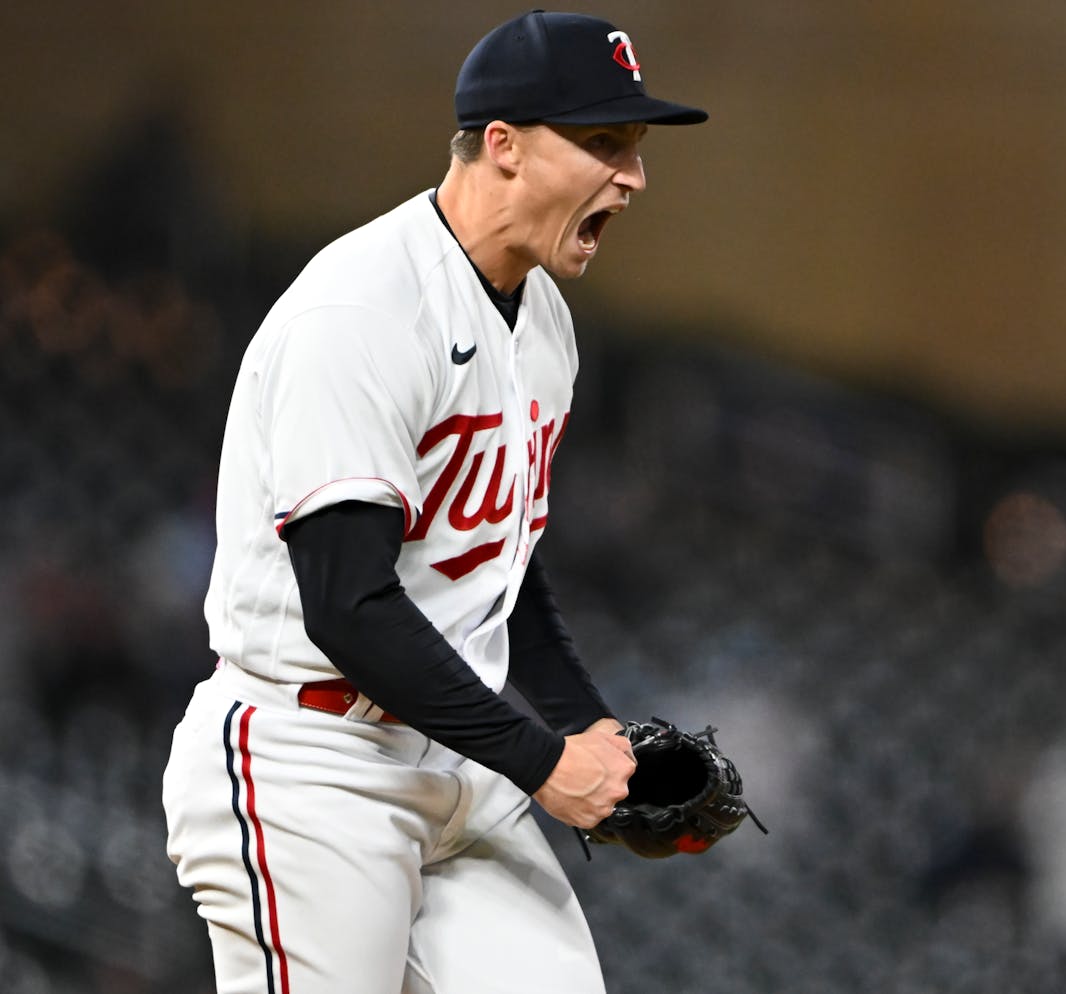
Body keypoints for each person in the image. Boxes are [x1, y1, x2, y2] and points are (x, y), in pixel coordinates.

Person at [161, 11, 707, 993]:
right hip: (309, 761)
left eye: (633, 148)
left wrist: (591, 735)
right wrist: (543, 762)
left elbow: (500, 564)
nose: (632, 176)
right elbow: (348, 604)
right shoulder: (362, 309)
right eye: (601, 143)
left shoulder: (545, 324)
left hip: (457, 763)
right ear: (501, 145)